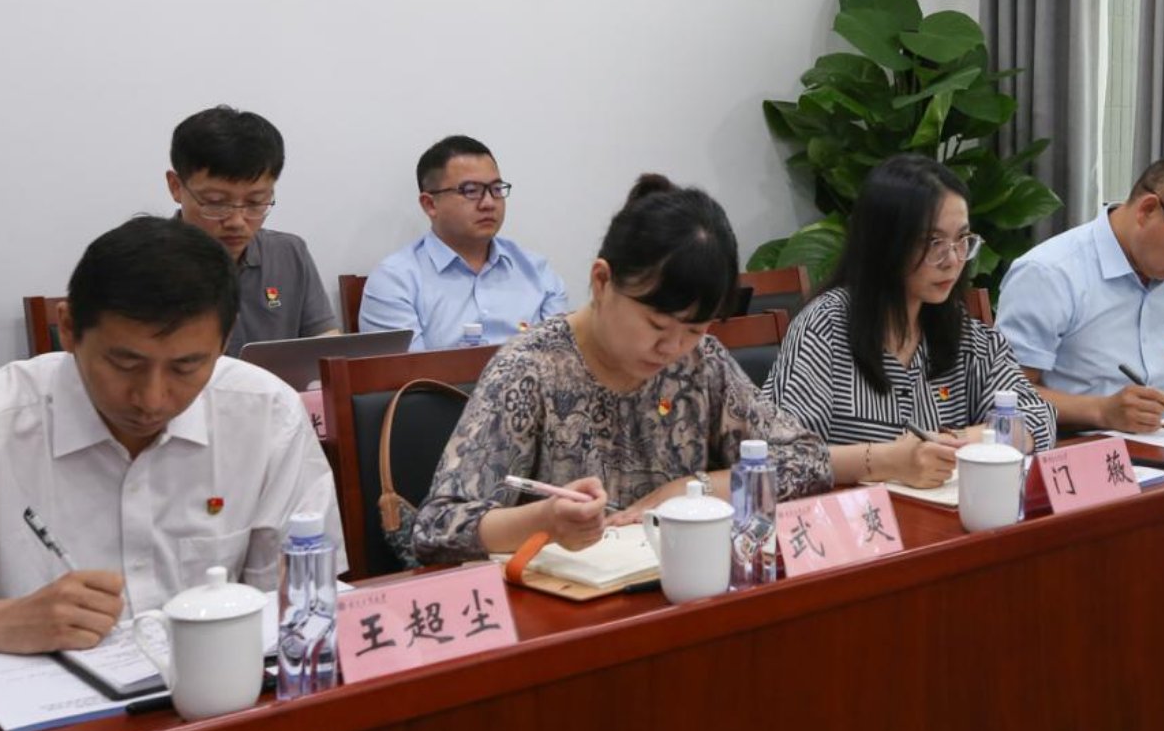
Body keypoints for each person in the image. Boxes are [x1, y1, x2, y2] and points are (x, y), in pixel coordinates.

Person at [0, 217, 344, 687]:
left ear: (223, 344)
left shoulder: (265, 413)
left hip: (222, 717)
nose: (152, 398)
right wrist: (5, 622)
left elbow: (310, 600)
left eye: (186, 367)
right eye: (125, 364)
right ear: (68, 329)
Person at [413, 175, 833, 563]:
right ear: (601, 281)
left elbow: (807, 460)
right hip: (566, 601)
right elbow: (436, 527)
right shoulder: (530, 369)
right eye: (656, 325)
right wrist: (545, 520)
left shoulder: (701, 361)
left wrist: (690, 491)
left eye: (693, 329)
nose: (671, 348)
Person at [765, 156, 1054, 485]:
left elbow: (1039, 417)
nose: (952, 260)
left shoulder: (963, 332)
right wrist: (889, 461)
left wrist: (955, 441)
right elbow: (782, 456)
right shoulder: (825, 327)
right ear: (885, 243)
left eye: (962, 240)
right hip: (856, 514)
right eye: (933, 243)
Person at [996, 150, 1164, 433]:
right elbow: (1008, 394)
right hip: (1079, 447)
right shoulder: (1049, 273)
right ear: (1147, 210)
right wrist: (1101, 411)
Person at [359, 135, 569, 350]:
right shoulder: (395, 282)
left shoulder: (538, 272)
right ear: (430, 204)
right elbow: (408, 371)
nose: (488, 203)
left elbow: (563, 358)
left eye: (496, 189)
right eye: (471, 191)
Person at [167, 105, 337, 355]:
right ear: (176, 187)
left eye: (255, 202)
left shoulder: (288, 253)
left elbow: (327, 346)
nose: (237, 221)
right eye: (216, 202)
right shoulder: (143, 265)